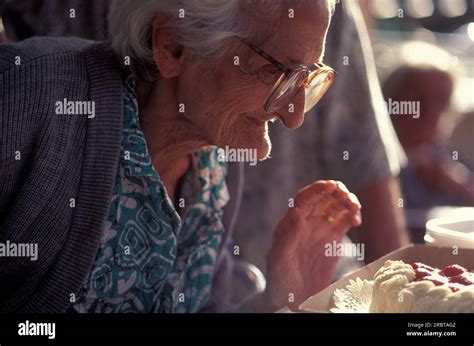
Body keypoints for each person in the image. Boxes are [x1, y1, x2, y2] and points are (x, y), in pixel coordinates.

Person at [0, 0, 361, 313]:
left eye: (307, 77)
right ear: (171, 45)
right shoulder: (27, 96)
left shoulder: (213, 159)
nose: (294, 117)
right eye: (276, 71)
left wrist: (279, 299)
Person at [233, 0, 409, 271]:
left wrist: (400, 293)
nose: (294, 118)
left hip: (314, 284)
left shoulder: (328, 9)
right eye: (273, 71)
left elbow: (368, 165)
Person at [383, 41, 474, 210]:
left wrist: (457, 186)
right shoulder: (376, 161)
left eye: (441, 99)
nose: (429, 109)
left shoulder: (448, 159)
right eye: (417, 95)